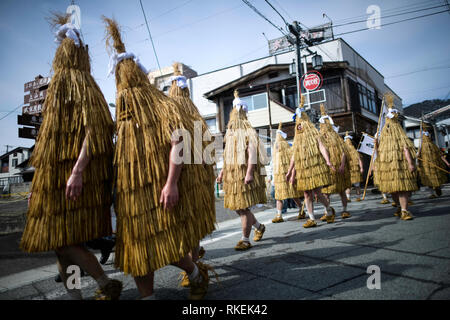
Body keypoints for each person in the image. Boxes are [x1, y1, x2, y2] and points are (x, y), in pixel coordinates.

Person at [104, 17, 216, 300]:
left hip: (160, 188)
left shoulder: (160, 105)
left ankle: (194, 273)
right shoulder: (124, 116)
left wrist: (171, 183)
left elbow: (178, 141)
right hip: (132, 194)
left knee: (163, 243)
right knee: (138, 249)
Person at [20, 13, 122, 300]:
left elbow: (98, 131)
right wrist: (37, 185)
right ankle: (76, 297)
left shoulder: (84, 86)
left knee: (65, 242)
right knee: (59, 243)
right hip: (53, 181)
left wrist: (77, 171)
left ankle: (105, 284)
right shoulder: (56, 90)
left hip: (77, 178)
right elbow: (48, 146)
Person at [168, 62, 213, 288]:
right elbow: (208, 152)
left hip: (181, 175)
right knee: (191, 223)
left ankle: (193, 266)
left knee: (186, 223)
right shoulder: (196, 115)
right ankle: (193, 264)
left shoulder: (170, 110)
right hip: (195, 177)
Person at [216, 90, 267, 250]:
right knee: (238, 207)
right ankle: (259, 226)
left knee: (243, 208)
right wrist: (222, 172)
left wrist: (250, 172)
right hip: (233, 178)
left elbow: (252, 153)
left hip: (243, 175)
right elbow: (227, 156)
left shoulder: (248, 131)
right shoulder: (230, 134)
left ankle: (245, 239)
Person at [286, 96, 335, 228]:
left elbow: (322, 147)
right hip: (303, 169)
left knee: (318, 193)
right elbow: (294, 156)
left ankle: (329, 209)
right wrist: (290, 172)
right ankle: (312, 218)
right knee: (307, 194)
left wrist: (328, 161)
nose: (299, 125)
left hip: (315, 167)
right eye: (297, 124)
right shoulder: (297, 139)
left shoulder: (314, 133)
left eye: (300, 123)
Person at [374, 93, 418, 220]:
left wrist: (410, 163)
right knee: (393, 189)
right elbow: (379, 152)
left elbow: (405, 149)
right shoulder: (384, 137)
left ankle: (404, 209)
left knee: (401, 188)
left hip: (399, 165)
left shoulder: (398, 135)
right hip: (388, 167)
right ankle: (400, 207)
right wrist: (376, 146)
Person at [317, 104, 352, 220]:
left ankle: (345, 210)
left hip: (338, 168)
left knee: (341, 189)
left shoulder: (336, 137)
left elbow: (343, 152)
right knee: (326, 192)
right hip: (327, 169)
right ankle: (327, 211)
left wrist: (342, 165)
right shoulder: (319, 138)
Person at [272, 123, 304, 223]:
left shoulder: (289, 149)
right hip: (279, 178)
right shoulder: (275, 153)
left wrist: (292, 175)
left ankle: (301, 209)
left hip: (288, 175)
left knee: (293, 195)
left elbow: (293, 163)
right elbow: (274, 166)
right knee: (279, 196)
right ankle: (279, 215)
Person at [417, 122, 449, 198]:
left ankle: (437, 188)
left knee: (437, 177)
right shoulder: (421, 147)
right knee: (429, 178)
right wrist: (417, 161)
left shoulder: (433, 146)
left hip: (435, 163)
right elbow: (418, 155)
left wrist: (447, 163)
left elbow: (440, 155)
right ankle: (432, 193)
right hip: (426, 165)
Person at [343, 132, 364, 202]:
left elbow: (359, 160)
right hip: (352, 171)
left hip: (350, 171)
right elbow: (359, 160)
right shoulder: (355, 151)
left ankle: (348, 197)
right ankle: (357, 197)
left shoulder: (345, 152)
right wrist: (361, 168)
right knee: (356, 186)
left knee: (348, 186)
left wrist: (361, 168)